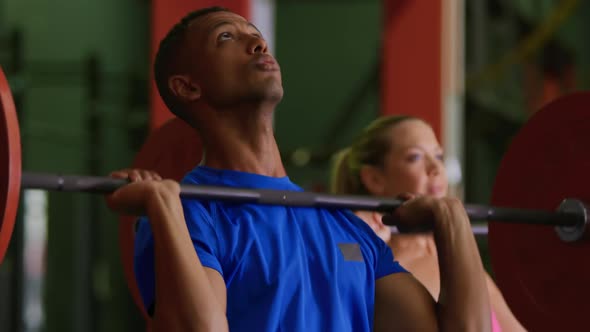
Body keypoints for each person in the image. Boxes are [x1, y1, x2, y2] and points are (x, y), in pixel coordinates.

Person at [105, 6, 492, 331]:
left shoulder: (343, 225)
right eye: (226, 38)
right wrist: (163, 207)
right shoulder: (188, 215)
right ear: (188, 87)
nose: (258, 44)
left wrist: (450, 218)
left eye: (255, 34)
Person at [331, 115, 527, 331]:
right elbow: (333, 293)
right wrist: (357, 244)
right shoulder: (380, 263)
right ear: (375, 179)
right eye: (415, 157)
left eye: (439, 156)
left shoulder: (458, 256)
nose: (435, 168)